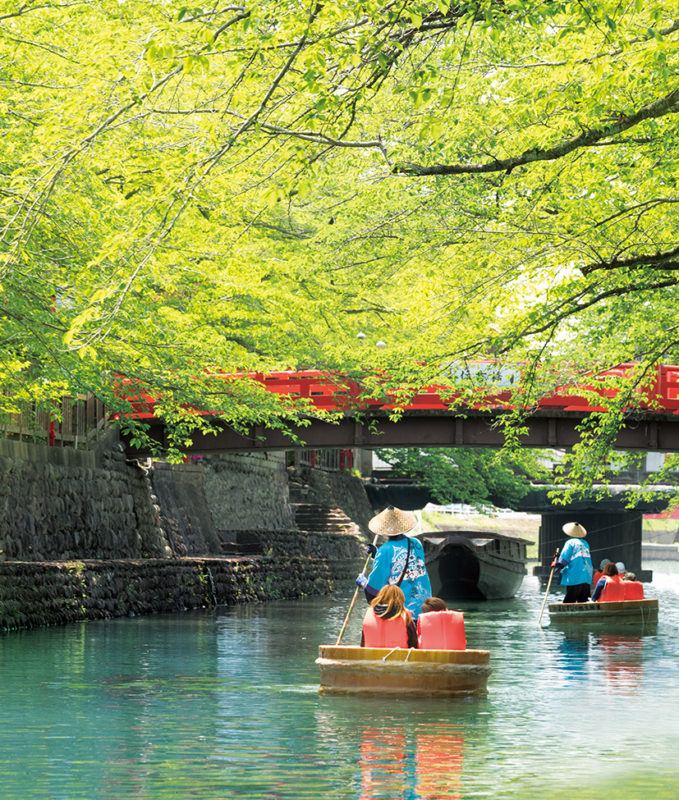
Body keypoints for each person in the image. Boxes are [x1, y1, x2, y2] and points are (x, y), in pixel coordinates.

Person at [356, 506, 432, 621]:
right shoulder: (416, 544)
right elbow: (406, 565)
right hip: (425, 611)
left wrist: (363, 582)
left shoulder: (385, 550)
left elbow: (374, 590)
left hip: (404, 615)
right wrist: (378, 555)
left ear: (384, 530)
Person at [361, 584, 417, 648]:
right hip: (399, 657)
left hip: (371, 657)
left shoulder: (368, 613)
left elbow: (363, 644)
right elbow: (414, 644)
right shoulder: (405, 615)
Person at [552, 522, 593, 603]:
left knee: (569, 601)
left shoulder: (570, 542)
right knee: (583, 602)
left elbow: (564, 559)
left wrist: (557, 564)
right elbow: (578, 556)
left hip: (575, 576)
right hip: (586, 576)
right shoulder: (585, 543)